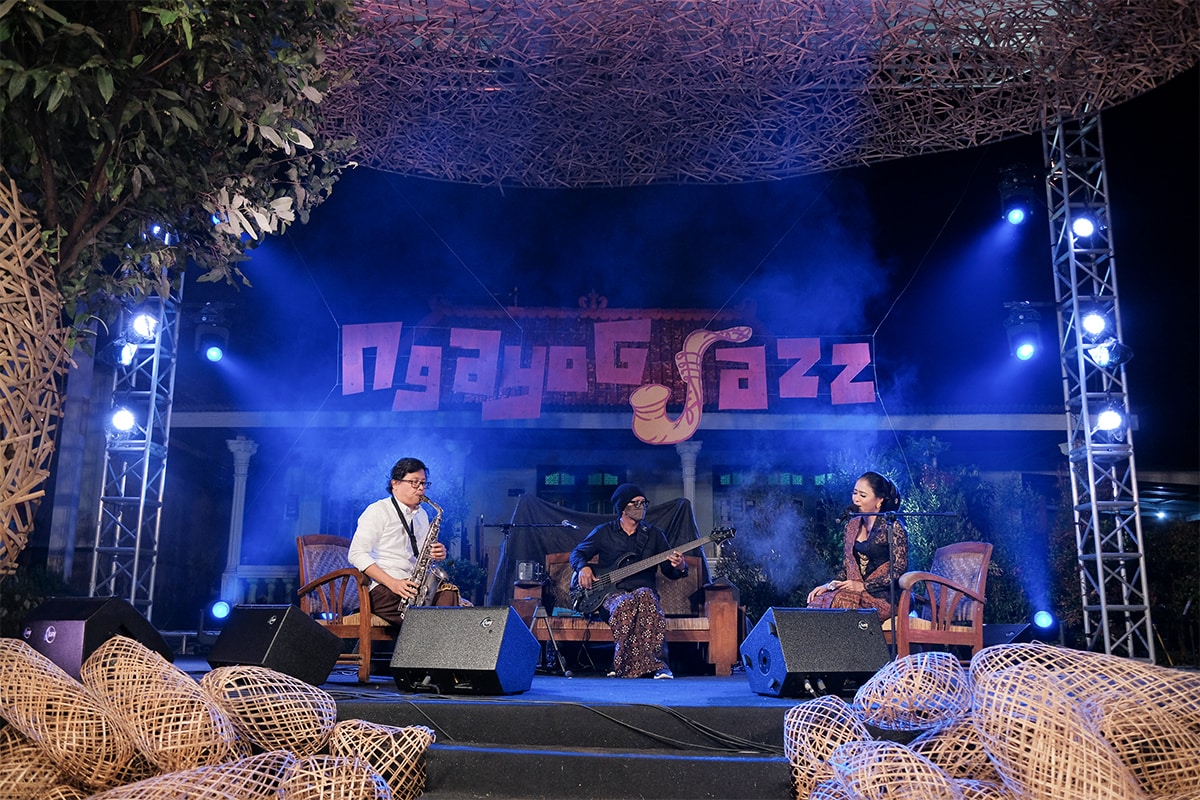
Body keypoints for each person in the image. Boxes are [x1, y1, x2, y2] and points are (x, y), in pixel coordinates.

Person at [570, 483, 688, 679]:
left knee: (646, 598)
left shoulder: (654, 535)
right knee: (625, 605)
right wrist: (583, 567)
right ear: (623, 507)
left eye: (644, 503)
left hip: (643, 594)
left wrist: (680, 566)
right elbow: (577, 553)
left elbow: (669, 570)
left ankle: (650, 665)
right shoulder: (604, 532)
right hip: (610, 595)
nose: (641, 507)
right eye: (636, 503)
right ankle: (639, 665)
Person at [348, 457, 447, 626]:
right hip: (384, 588)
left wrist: (437, 553)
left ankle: (430, 640)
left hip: (411, 586)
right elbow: (356, 554)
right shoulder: (378, 511)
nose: (421, 488)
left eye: (424, 483)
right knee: (428, 614)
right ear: (395, 483)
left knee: (449, 596)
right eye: (414, 482)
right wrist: (393, 583)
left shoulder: (422, 515)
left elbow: (421, 556)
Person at [806, 471, 908, 622]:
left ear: (879, 500)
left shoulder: (893, 527)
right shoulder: (852, 526)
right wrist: (829, 586)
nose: (856, 499)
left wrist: (864, 586)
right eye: (855, 493)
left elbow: (899, 569)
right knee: (818, 599)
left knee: (842, 601)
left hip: (884, 596)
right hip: (855, 591)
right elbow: (847, 568)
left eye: (863, 495)